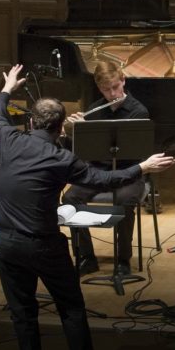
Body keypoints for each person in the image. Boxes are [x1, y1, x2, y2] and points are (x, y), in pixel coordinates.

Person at [0, 65, 174, 350]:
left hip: (6, 243)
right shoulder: (61, 157)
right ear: (61, 128)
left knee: (23, 315)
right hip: (43, 245)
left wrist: (7, 88)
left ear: (30, 123)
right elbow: (102, 180)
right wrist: (143, 168)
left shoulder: (9, 140)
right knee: (71, 310)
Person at [61, 61, 151, 277]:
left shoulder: (138, 112)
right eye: (106, 89)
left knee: (125, 201)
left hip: (129, 172)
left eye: (115, 87)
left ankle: (123, 259)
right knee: (70, 199)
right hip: (99, 171)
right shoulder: (94, 110)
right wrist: (76, 131)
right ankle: (86, 257)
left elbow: (138, 152)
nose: (112, 94)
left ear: (123, 81)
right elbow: (84, 153)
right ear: (99, 88)